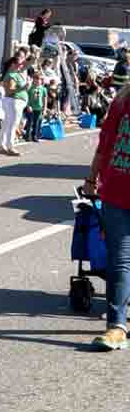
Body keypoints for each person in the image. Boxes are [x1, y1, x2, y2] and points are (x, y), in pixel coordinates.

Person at [85, 80, 130, 350]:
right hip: (116, 191)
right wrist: (91, 179)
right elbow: (105, 145)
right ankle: (117, 326)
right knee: (119, 260)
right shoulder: (122, 101)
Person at [25, 68, 47, 144]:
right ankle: (27, 135)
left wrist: (44, 108)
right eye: (36, 79)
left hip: (39, 107)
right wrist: (28, 105)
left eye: (39, 79)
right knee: (30, 121)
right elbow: (26, 97)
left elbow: (44, 99)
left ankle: (35, 136)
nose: (38, 81)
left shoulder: (43, 89)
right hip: (31, 107)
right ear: (33, 79)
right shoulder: (30, 88)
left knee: (37, 122)